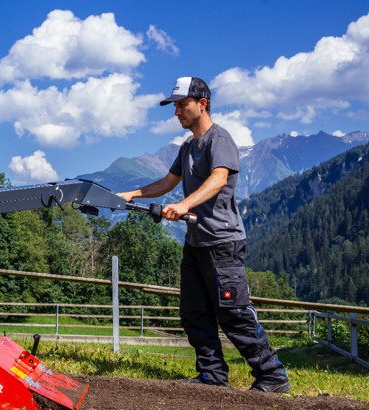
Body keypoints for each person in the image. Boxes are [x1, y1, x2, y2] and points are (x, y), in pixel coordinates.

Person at [118, 76, 290, 393]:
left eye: (182, 106)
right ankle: (213, 376)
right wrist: (132, 194)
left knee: (234, 313)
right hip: (196, 243)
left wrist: (183, 205)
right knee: (194, 312)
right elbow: (167, 182)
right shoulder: (188, 147)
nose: (177, 113)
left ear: (202, 104)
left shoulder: (218, 139)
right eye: (175, 107)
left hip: (223, 242)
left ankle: (272, 377)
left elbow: (218, 179)